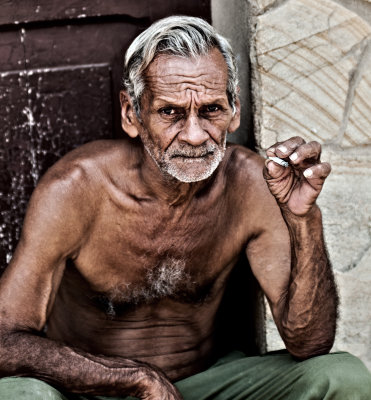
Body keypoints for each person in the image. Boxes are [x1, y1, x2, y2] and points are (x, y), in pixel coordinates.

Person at [0, 15, 370, 400]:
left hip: (203, 385)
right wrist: (134, 379)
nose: (195, 135)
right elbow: (4, 340)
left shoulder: (250, 184)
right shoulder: (76, 190)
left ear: (234, 110)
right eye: (170, 112)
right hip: (91, 390)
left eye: (210, 110)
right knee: (18, 395)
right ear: (132, 114)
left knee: (342, 377)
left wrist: (303, 220)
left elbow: (308, 343)